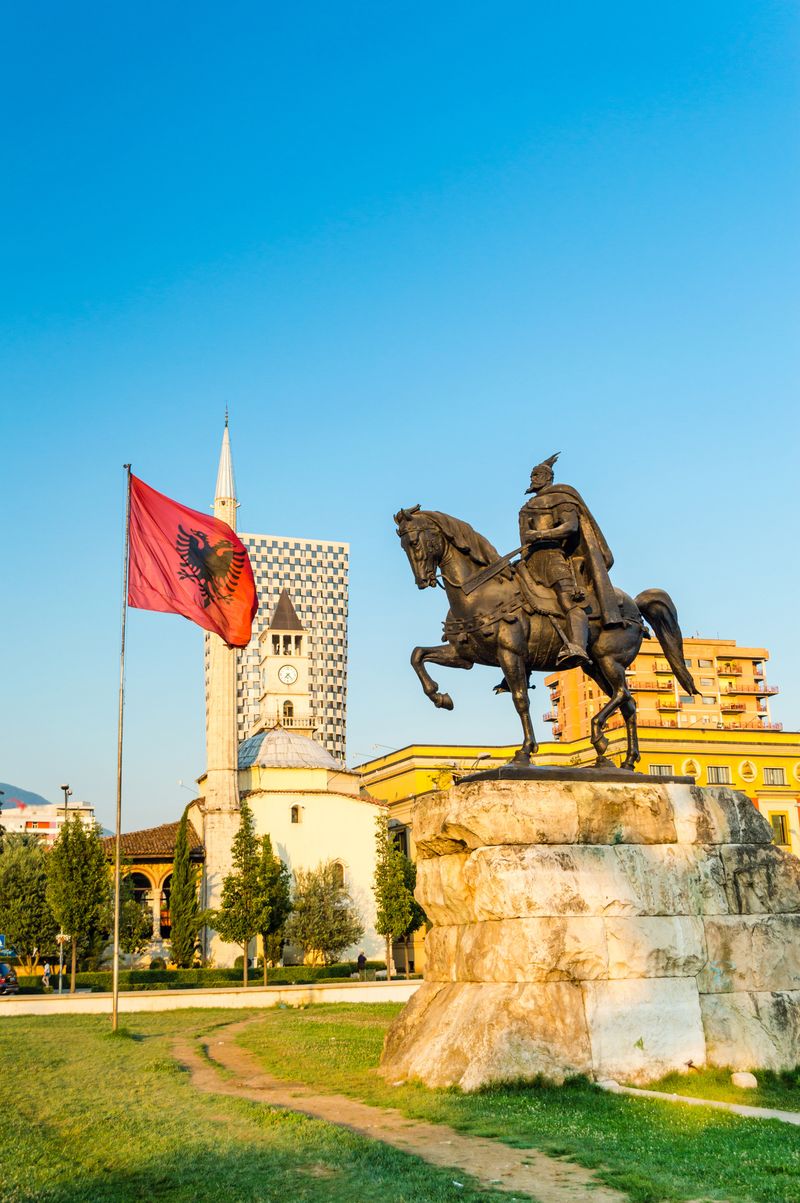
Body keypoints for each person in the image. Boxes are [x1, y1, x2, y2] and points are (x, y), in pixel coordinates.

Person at [517, 453, 622, 669]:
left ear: (548, 477)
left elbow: (570, 527)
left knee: (568, 602)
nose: (533, 478)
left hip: (553, 559)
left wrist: (540, 535)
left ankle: (577, 646)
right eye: (532, 475)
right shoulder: (528, 505)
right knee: (512, 603)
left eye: (537, 475)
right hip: (529, 561)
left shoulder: (561, 498)